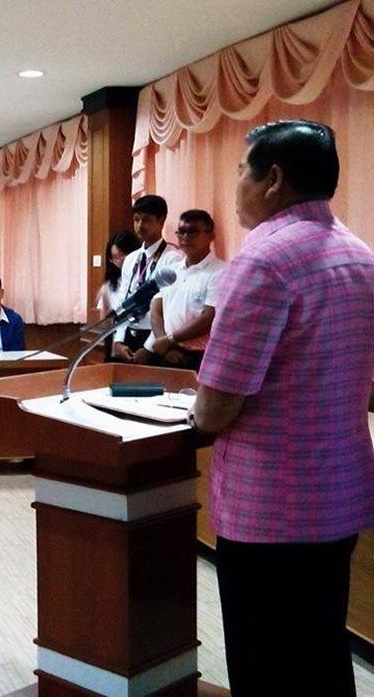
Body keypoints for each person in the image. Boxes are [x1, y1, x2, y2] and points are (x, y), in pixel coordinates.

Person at [189, 120, 374, 697]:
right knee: (321, 651)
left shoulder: (263, 260)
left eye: (240, 173)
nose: (236, 187)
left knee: (266, 665)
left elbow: (216, 408)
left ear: (272, 179)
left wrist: (196, 411)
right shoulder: (360, 255)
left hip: (270, 508)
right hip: (339, 496)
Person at [135, 210, 225, 371]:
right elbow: (156, 306)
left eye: (193, 232)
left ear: (211, 236)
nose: (185, 237)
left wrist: (170, 340)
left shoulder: (220, 271)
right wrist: (164, 343)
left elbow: (209, 318)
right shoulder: (171, 270)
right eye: (181, 231)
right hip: (166, 351)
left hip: (198, 356)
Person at [111, 195, 184, 362]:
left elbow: (168, 310)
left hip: (154, 338)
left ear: (161, 220)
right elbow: (123, 301)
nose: (140, 225)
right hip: (128, 335)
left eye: (146, 220)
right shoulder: (131, 259)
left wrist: (148, 348)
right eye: (136, 220)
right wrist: (118, 340)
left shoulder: (173, 259)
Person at [96, 230, 141, 316]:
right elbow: (104, 319)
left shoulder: (142, 275)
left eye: (123, 254)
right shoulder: (110, 284)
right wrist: (105, 301)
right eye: (115, 257)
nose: (120, 260)